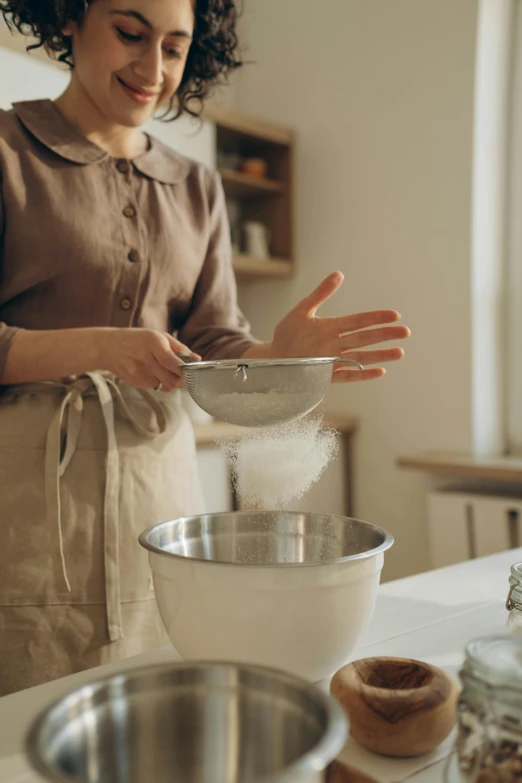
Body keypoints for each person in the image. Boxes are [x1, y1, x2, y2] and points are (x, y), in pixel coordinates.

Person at [0, 0, 410, 696]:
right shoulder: (9, 149)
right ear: (69, 17)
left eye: (174, 47)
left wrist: (278, 357)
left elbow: (215, 346)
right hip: (25, 508)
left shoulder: (197, 187)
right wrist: (102, 347)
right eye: (130, 33)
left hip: (154, 497)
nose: (152, 68)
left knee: (154, 705)